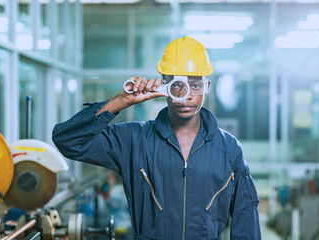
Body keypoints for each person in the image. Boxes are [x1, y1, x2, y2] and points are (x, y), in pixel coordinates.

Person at [52, 36, 261, 240]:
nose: (186, 95)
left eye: (195, 85)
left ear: (207, 87)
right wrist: (120, 101)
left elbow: (246, 215)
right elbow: (68, 140)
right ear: (165, 87)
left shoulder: (228, 148)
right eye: (177, 85)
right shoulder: (133, 140)